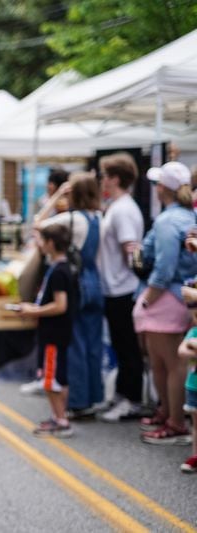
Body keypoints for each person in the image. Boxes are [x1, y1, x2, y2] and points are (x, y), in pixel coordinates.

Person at [134, 161, 197, 444]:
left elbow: (164, 267)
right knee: (165, 362)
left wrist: (147, 300)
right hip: (178, 294)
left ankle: (174, 422)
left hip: (168, 296)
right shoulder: (185, 217)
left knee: (168, 362)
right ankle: (169, 414)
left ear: (163, 189)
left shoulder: (168, 221)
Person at [36, 173, 104, 418]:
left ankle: (78, 400)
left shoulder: (71, 218)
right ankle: (95, 396)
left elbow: (38, 223)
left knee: (75, 343)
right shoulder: (99, 218)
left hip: (77, 282)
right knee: (94, 344)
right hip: (96, 281)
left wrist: (56, 197)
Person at [96, 153, 145, 422]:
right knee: (120, 343)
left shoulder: (124, 209)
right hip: (115, 288)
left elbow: (132, 250)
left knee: (126, 347)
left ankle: (132, 400)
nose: (102, 180)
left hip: (122, 289)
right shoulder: (118, 206)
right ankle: (123, 395)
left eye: (105, 175)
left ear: (115, 178)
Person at [18, 224, 78, 438]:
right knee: (57, 377)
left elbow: (60, 305)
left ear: (51, 243)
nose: (39, 245)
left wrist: (35, 312)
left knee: (50, 379)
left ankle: (61, 420)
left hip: (53, 333)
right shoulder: (59, 267)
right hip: (54, 332)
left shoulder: (60, 271)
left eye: (42, 240)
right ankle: (58, 416)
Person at [177, 283, 197, 472]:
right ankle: (195, 454)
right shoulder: (193, 333)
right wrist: (190, 343)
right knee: (195, 423)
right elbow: (181, 351)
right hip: (193, 385)